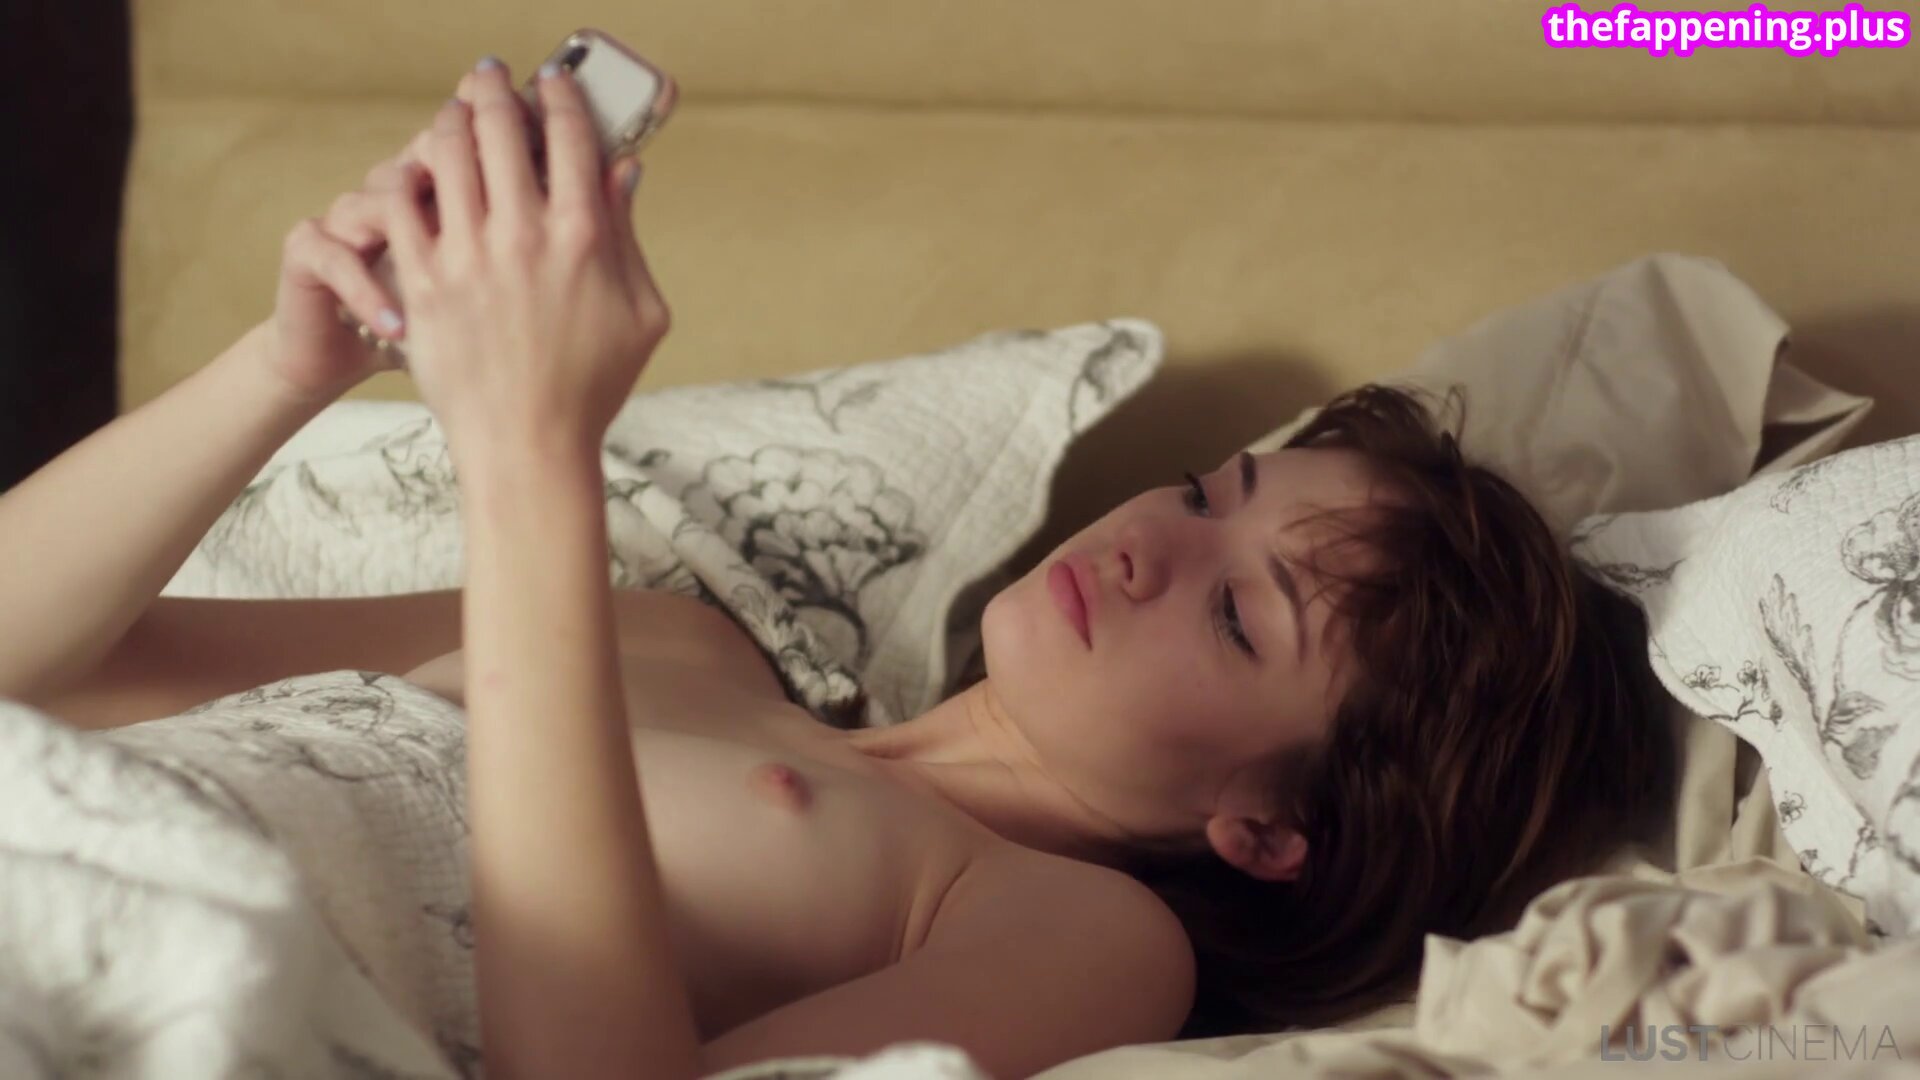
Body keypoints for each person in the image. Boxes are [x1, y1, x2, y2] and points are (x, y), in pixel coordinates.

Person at [0, 57, 1673, 1080]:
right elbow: (39, 663)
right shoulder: (677, 643)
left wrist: (532, 456)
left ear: (1269, 827)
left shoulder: (1085, 932)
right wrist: (294, 362)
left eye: (1241, 614)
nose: (1152, 546)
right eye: (1202, 493)